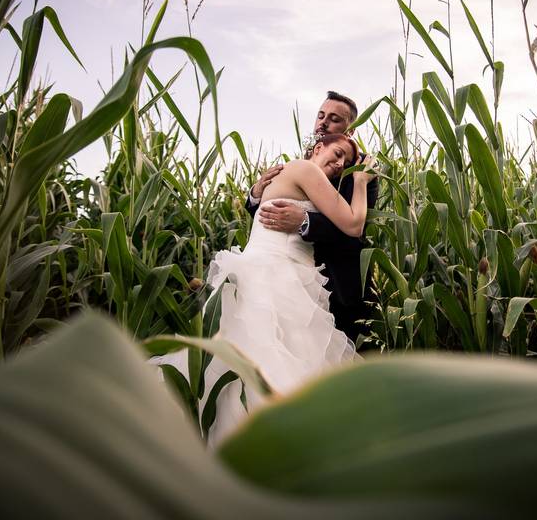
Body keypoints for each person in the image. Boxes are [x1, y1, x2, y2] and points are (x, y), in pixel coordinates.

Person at [151, 132, 376, 446]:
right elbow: (353, 225)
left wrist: (259, 192)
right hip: (278, 276)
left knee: (241, 358)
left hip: (268, 271)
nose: (340, 164)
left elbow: (272, 208)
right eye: (337, 153)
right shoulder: (306, 170)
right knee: (280, 362)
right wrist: (363, 181)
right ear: (319, 146)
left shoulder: (286, 172)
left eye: (347, 162)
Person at [248, 92, 379, 343]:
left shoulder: (359, 172)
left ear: (350, 131)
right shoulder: (302, 164)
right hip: (283, 274)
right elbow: (269, 217)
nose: (323, 123)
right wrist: (256, 192)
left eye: (334, 119)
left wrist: (305, 222)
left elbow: (354, 232)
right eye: (320, 116)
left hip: (337, 285)